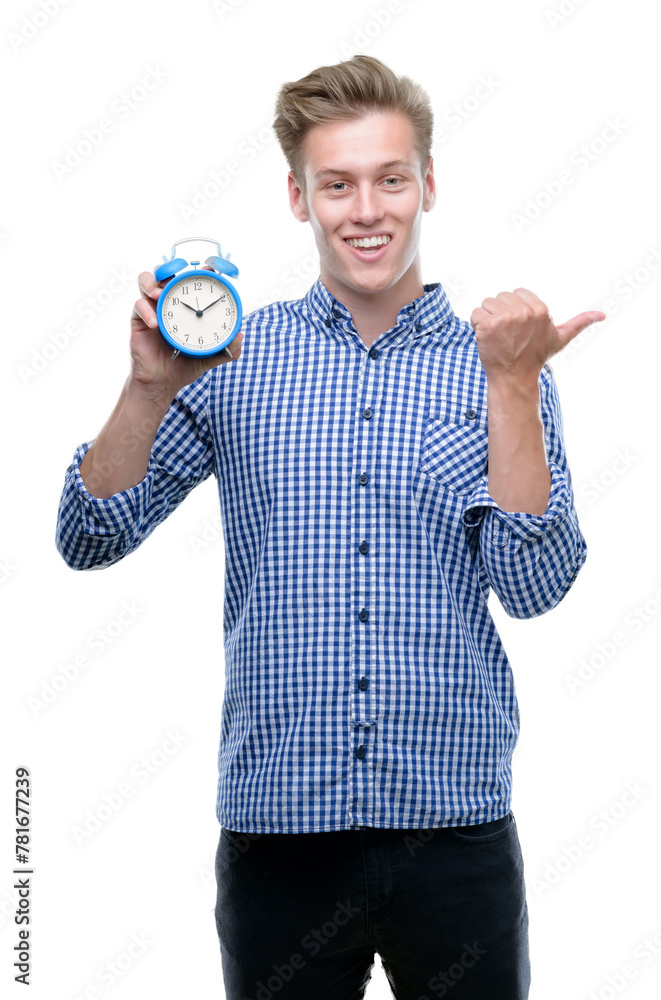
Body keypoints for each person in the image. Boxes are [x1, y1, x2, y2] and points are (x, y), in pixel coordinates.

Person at [56, 55, 605, 1000]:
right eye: (337, 184)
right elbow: (88, 535)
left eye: (391, 179)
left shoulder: (502, 361)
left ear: (427, 183)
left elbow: (534, 586)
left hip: (455, 834)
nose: (366, 210)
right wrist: (147, 388)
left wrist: (513, 387)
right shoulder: (227, 356)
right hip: (277, 837)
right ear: (296, 196)